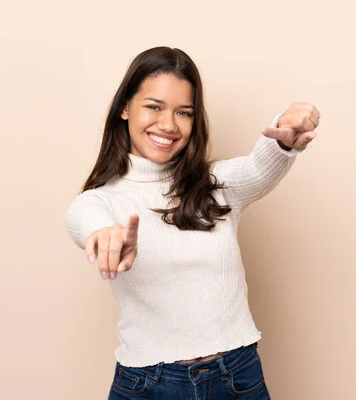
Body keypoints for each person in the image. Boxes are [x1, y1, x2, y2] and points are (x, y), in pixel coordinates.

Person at [66, 46, 320, 400]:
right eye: (154, 107)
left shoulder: (216, 185)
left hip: (237, 378)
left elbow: (259, 167)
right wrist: (104, 235)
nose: (168, 125)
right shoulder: (99, 202)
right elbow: (84, 219)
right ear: (125, 107)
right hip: (148, 385)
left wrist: (286, 131)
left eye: (183, 112)